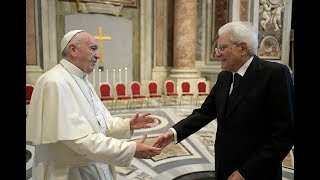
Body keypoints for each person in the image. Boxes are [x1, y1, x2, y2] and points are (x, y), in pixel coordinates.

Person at [152, 21, 294, 180]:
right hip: (224, 167)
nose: (217, 54)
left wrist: (245, 173)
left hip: (257, 172)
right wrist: (173, 133)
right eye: (217, 48)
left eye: (222, 48)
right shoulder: (225, 76)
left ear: (242, 48)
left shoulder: (275, 74)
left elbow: (284, 135)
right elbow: (204, 113)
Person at [26, 30, 162, 180]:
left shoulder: (81, 79)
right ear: (73, 50)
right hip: (69, 173)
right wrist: (130, 149)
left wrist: (127, 124)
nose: (98, 55)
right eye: (93, 48)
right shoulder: (55, 82)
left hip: (91, 167)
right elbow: (81, 140)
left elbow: (101, 122)